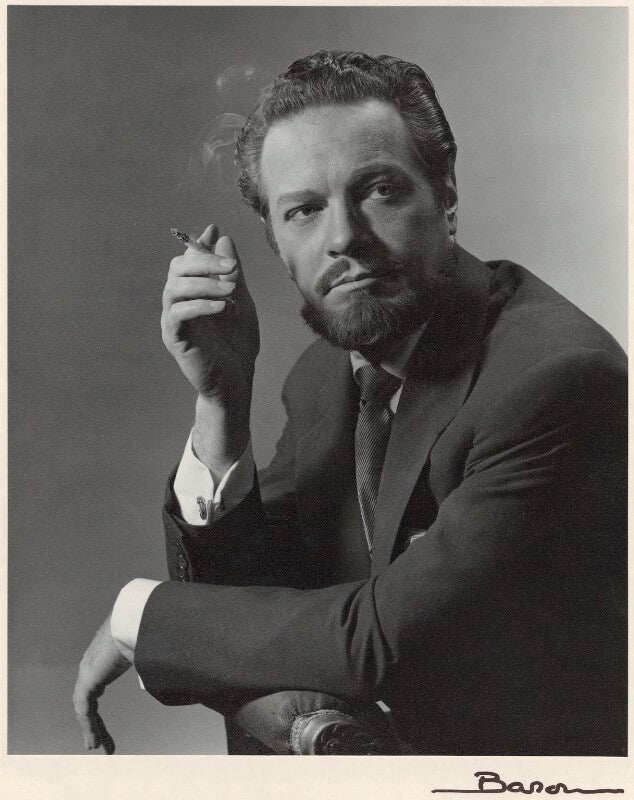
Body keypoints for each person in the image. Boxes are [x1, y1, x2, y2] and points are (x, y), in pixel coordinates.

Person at [73, 50, 627, 756]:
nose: (342, 239)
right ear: (275, 241)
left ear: (447, 197)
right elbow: (249, 609)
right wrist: (222, 400)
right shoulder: (326, 374)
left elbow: (382, 642)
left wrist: (138, 617)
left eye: (379, 191)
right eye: (304, 210)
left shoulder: (557, 379)